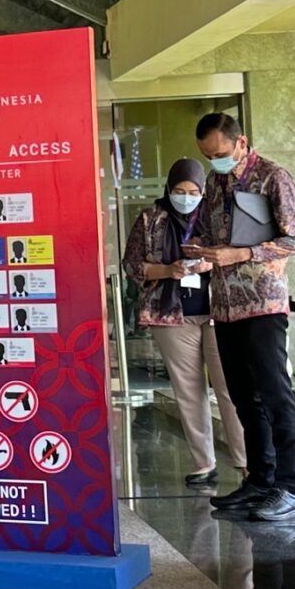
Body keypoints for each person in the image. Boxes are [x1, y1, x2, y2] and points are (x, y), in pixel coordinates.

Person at [186, 112, 295, 522]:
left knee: (274, 393)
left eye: (219, 153)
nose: (215, 161)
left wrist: (242, 254)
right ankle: (260, 480)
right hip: (224, 304)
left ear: (241, 142)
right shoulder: (216, 182)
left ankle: (289, 486)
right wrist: (201, 248)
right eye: (207, 156)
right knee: (242, 396)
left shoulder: (274, 177)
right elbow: (211, 231)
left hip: (262, 304)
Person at [123, 159, 249, 491]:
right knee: (188, 391)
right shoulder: (151, 219)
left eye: (193, 192)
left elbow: (241, 258)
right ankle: (204, 464)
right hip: (171, 316)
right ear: (169, 189)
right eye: (179, 191)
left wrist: (210, 263)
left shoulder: (219, 217)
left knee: (230, 388)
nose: (186, 197)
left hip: (220, 312)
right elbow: (132, 265)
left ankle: (247, 463)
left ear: (203, 191)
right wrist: (169, 270)